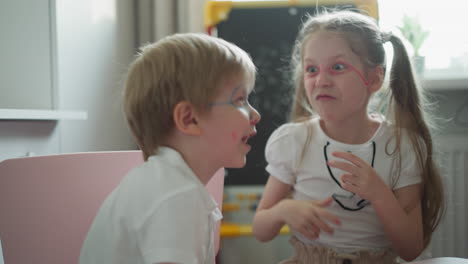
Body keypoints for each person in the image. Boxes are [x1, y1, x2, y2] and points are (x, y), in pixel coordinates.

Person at [252, 10, 444, 264]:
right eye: (311, 69)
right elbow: (261, 230)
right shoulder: (293, 141)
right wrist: (282, 210)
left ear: (374, 78)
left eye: (338, 67)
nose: (321, 80)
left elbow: (411, 249)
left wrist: (379, 193)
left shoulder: (401, 146)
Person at [80, 33, 261, 264]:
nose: (255, 115)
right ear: (189, 119)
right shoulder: (177, 197)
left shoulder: (166, 183)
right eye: (239, 101)